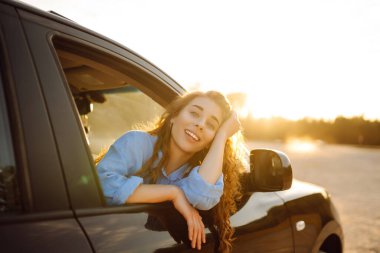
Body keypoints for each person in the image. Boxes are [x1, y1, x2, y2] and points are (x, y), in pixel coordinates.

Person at [96, 90, 248, 252]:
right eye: (194, 113)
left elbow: (200, 195)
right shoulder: (136, 143)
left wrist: (222, 135)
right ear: (174, 117)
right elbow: (100, 185)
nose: (201, 124)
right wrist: (172, 192)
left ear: (211, 142)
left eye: (211, 125)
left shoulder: (202, 171)